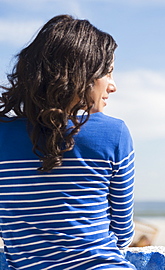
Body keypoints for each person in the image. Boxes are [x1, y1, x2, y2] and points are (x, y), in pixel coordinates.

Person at [0, 15, 136, 269]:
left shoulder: (3, 135)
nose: (113, 86)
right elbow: (123, 231)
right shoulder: (113, 133)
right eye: (107, 73)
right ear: (81, 75)